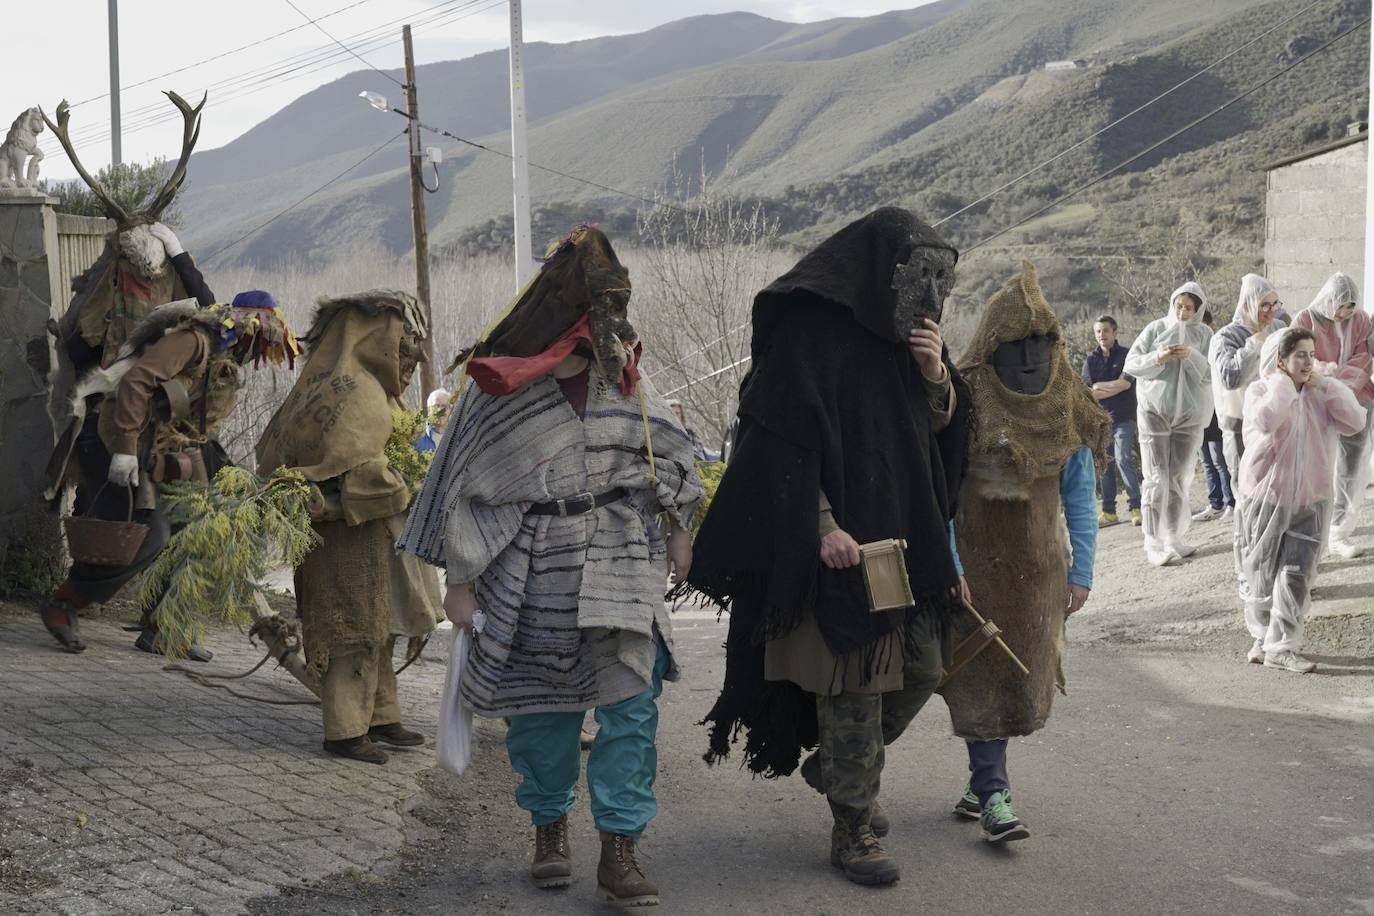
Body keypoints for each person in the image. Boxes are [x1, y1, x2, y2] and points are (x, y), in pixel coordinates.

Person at [397, 227, 702, 907]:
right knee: (543, 716)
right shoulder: (494, 384)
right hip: (530, 570)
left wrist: (679, 533)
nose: (611, 322)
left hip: (621, 553)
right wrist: (461, 583)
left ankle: (621, 850)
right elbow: (459, 483)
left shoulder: (622, 370)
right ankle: (548, 826)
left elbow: (667, 454)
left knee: (631, 706)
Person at [686, 207, 972, 887]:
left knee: (928, 669)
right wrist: (821, 527)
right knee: (854, 688)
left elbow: (938, 441)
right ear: (883, 273)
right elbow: (776, 442)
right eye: (918, 278)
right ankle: (854, 829)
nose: (931, 298)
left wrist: (938, 379)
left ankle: (840, 770)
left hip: (910, 543)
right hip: (840, 551)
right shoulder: (809, 334)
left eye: (943, 282)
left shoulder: (915, 342)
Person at [940, 261, 1108, 844]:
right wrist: (950, 565)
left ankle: (983, 779)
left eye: (1042, 343)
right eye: (1018, 344)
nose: (1032, 357)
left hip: (1039, 576)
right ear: (993, 345)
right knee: (978, 675)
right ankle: (993, 794)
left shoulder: (1070, 402)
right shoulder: (963, 402)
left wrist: (1081, 572)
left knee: (1019, 681)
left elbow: (1081, 498)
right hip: (972, 575)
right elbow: (937, 496)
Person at [38, 294, 299, 655]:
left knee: (189, 534)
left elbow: (193, 422)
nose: (260, 349)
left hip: (163, 448)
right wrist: (126, 452)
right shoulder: (195, 340)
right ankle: (64, 604)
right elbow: (136, 382)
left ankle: (165, 628)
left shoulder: (225, 358)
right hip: (117, 436)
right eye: (260, 339)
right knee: (149, 536)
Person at [256, 291, 443, 765]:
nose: (411, 356)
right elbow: (355, 469)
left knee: (378, 628)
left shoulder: (346, 387)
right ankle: (344, 731)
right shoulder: (352, 390)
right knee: (352, 630)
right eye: (405, 343)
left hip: (366, 535)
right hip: (343, 538)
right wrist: (409, 481)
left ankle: (381, 718)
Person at [1234, 328, 1365, 673]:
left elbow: (1354, 422)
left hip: (1312, 499)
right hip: (1265, 497)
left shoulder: (1322, 393)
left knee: (1296, 575)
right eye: (1300, 355)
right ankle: (1262, 638)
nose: (1308, 362)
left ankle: (1281, 646)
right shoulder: (1260, 390)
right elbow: (1267, 419)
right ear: (1281, 360)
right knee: (1260, 573)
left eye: (1311, 354)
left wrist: (1327, 385)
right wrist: (1284, 384)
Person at [1124, 283, 1213, 566]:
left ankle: (1173, 536)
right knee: (1156, 477)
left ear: (1198, 310)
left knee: (1178, 476)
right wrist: (1158, 357)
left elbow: (1212, 373)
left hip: (1189, 415)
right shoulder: (1155, 329)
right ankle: (1152, 540)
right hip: (1155, 412)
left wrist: (1192, 357)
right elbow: (1132, 363)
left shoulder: (1205, 334)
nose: (1183, 312)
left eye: (1189, 307)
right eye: (1179, 306)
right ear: (1172, 305)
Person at [1292, 272, 1374, 559]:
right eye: (1340, 305)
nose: (1345, 313)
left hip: (1357, 398)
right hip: (1316, 401)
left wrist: (1343, 387)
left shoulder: (1361, 320)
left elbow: (1364, 356)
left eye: (1350, 306)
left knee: (1351, 467)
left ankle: (1339, 531)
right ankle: (1313, 531)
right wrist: (1326, 374)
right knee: (1317, 465)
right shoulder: (1306, 319)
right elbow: (1295, 354)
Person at [1209, 274, 1283, 487]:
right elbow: (1230, 378)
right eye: (1264, 306)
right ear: (1248, 304)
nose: (1271, 311)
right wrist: (1253, 346)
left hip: (1276, 417)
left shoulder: (1277, 329)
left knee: (1276, 485)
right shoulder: (1224, 337)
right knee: (1247, 486)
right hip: (1240, 424)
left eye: (1274, 304)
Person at [1081, 314, 1141, 527]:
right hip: (1101, 421)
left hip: (1125, 417)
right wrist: (1109, 386)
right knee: (1105, 465)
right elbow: (1088, 393)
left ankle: (1136, 507)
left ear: (1114, 332)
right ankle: (1109, 513)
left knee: (1123, 458)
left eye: (1105, 330)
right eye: (1098, 331)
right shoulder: (1090, 359)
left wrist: (1100, 386)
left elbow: (1126, 384)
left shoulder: (1127, 354)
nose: (1101, 335)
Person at [1194, 309, 1236, 523]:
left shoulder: (1219, 344)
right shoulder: (1190, 348)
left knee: (1221, 459)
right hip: (1198, 411)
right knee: (1207, 461)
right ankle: (1215, 503)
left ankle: (1231, 502)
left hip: (1217, 410)